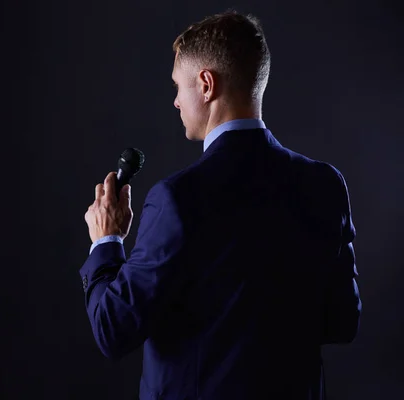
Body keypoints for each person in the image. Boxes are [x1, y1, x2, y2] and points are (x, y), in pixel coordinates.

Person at [80, 10, 361, 400]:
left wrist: (107, 241)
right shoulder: (326, 185)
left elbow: (113, 330)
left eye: (178, 86)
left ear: (207, 85)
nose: (176, 101)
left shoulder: (176, 200)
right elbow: (343, 322)